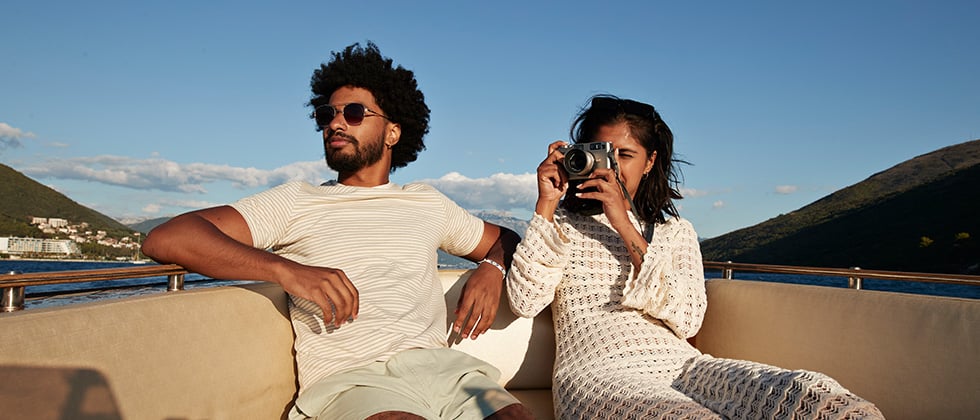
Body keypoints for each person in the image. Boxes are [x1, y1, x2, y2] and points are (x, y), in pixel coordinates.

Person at [142, 42, 533, 420]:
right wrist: (285, 270)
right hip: (352, 382)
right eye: (326, 114)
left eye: (354, 112)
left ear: (393, 132)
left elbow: (505, 239)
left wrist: (493, 269)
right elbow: (168, 237)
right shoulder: (296, 200)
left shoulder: (427, 202)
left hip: (444, 371)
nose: (335, 123)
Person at [505, 94, 884, 419]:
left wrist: (624, 223)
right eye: (601, 153)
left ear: (650, 161)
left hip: (684, 365)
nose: (612, 166)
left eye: (625, 154)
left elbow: (687, 320)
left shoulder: (676, 232)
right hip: (596, 374)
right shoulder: (559, 224)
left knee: (826, 401)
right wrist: (547, 204)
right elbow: (525, 300)